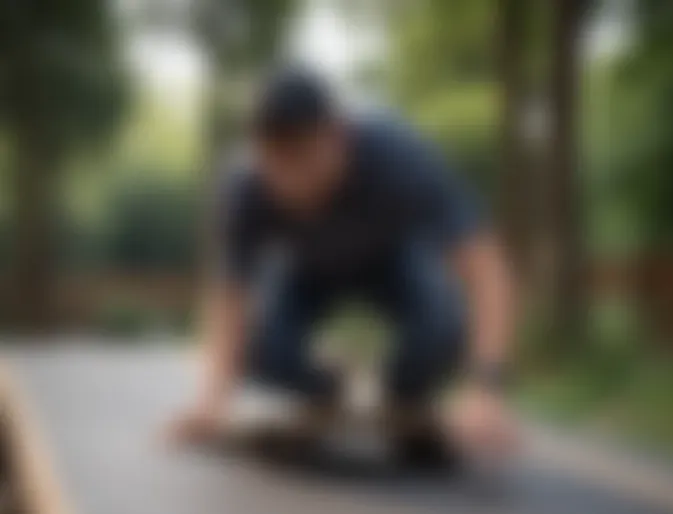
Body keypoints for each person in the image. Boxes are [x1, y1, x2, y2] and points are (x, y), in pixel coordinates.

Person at [168, 67, 517, 465]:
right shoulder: (245, 184)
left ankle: (406, 392)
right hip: (304, 273)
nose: (286, 177)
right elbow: (230, 295)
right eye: (271, 157)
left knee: (442, 322)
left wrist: (486, 388)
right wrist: (211, 402)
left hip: (392, 260)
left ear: (338, 135)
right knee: (261, 340)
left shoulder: (397, 154)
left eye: (300, 155)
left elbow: (485, 266)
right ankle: (320, 386)